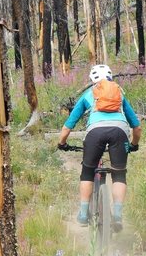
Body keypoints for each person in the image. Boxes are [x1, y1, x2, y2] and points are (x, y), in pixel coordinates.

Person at [57, 64, 141, 230]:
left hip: (95, 133)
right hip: (120, 132)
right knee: (119, 174)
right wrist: (133, 145)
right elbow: (137, 127)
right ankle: (117, 214)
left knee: (87, 172)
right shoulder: (120, 93)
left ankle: (82, 214)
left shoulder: (89, 94)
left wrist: (62, 143)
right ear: (110, 78)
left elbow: (68, 126)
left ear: (92, 80)